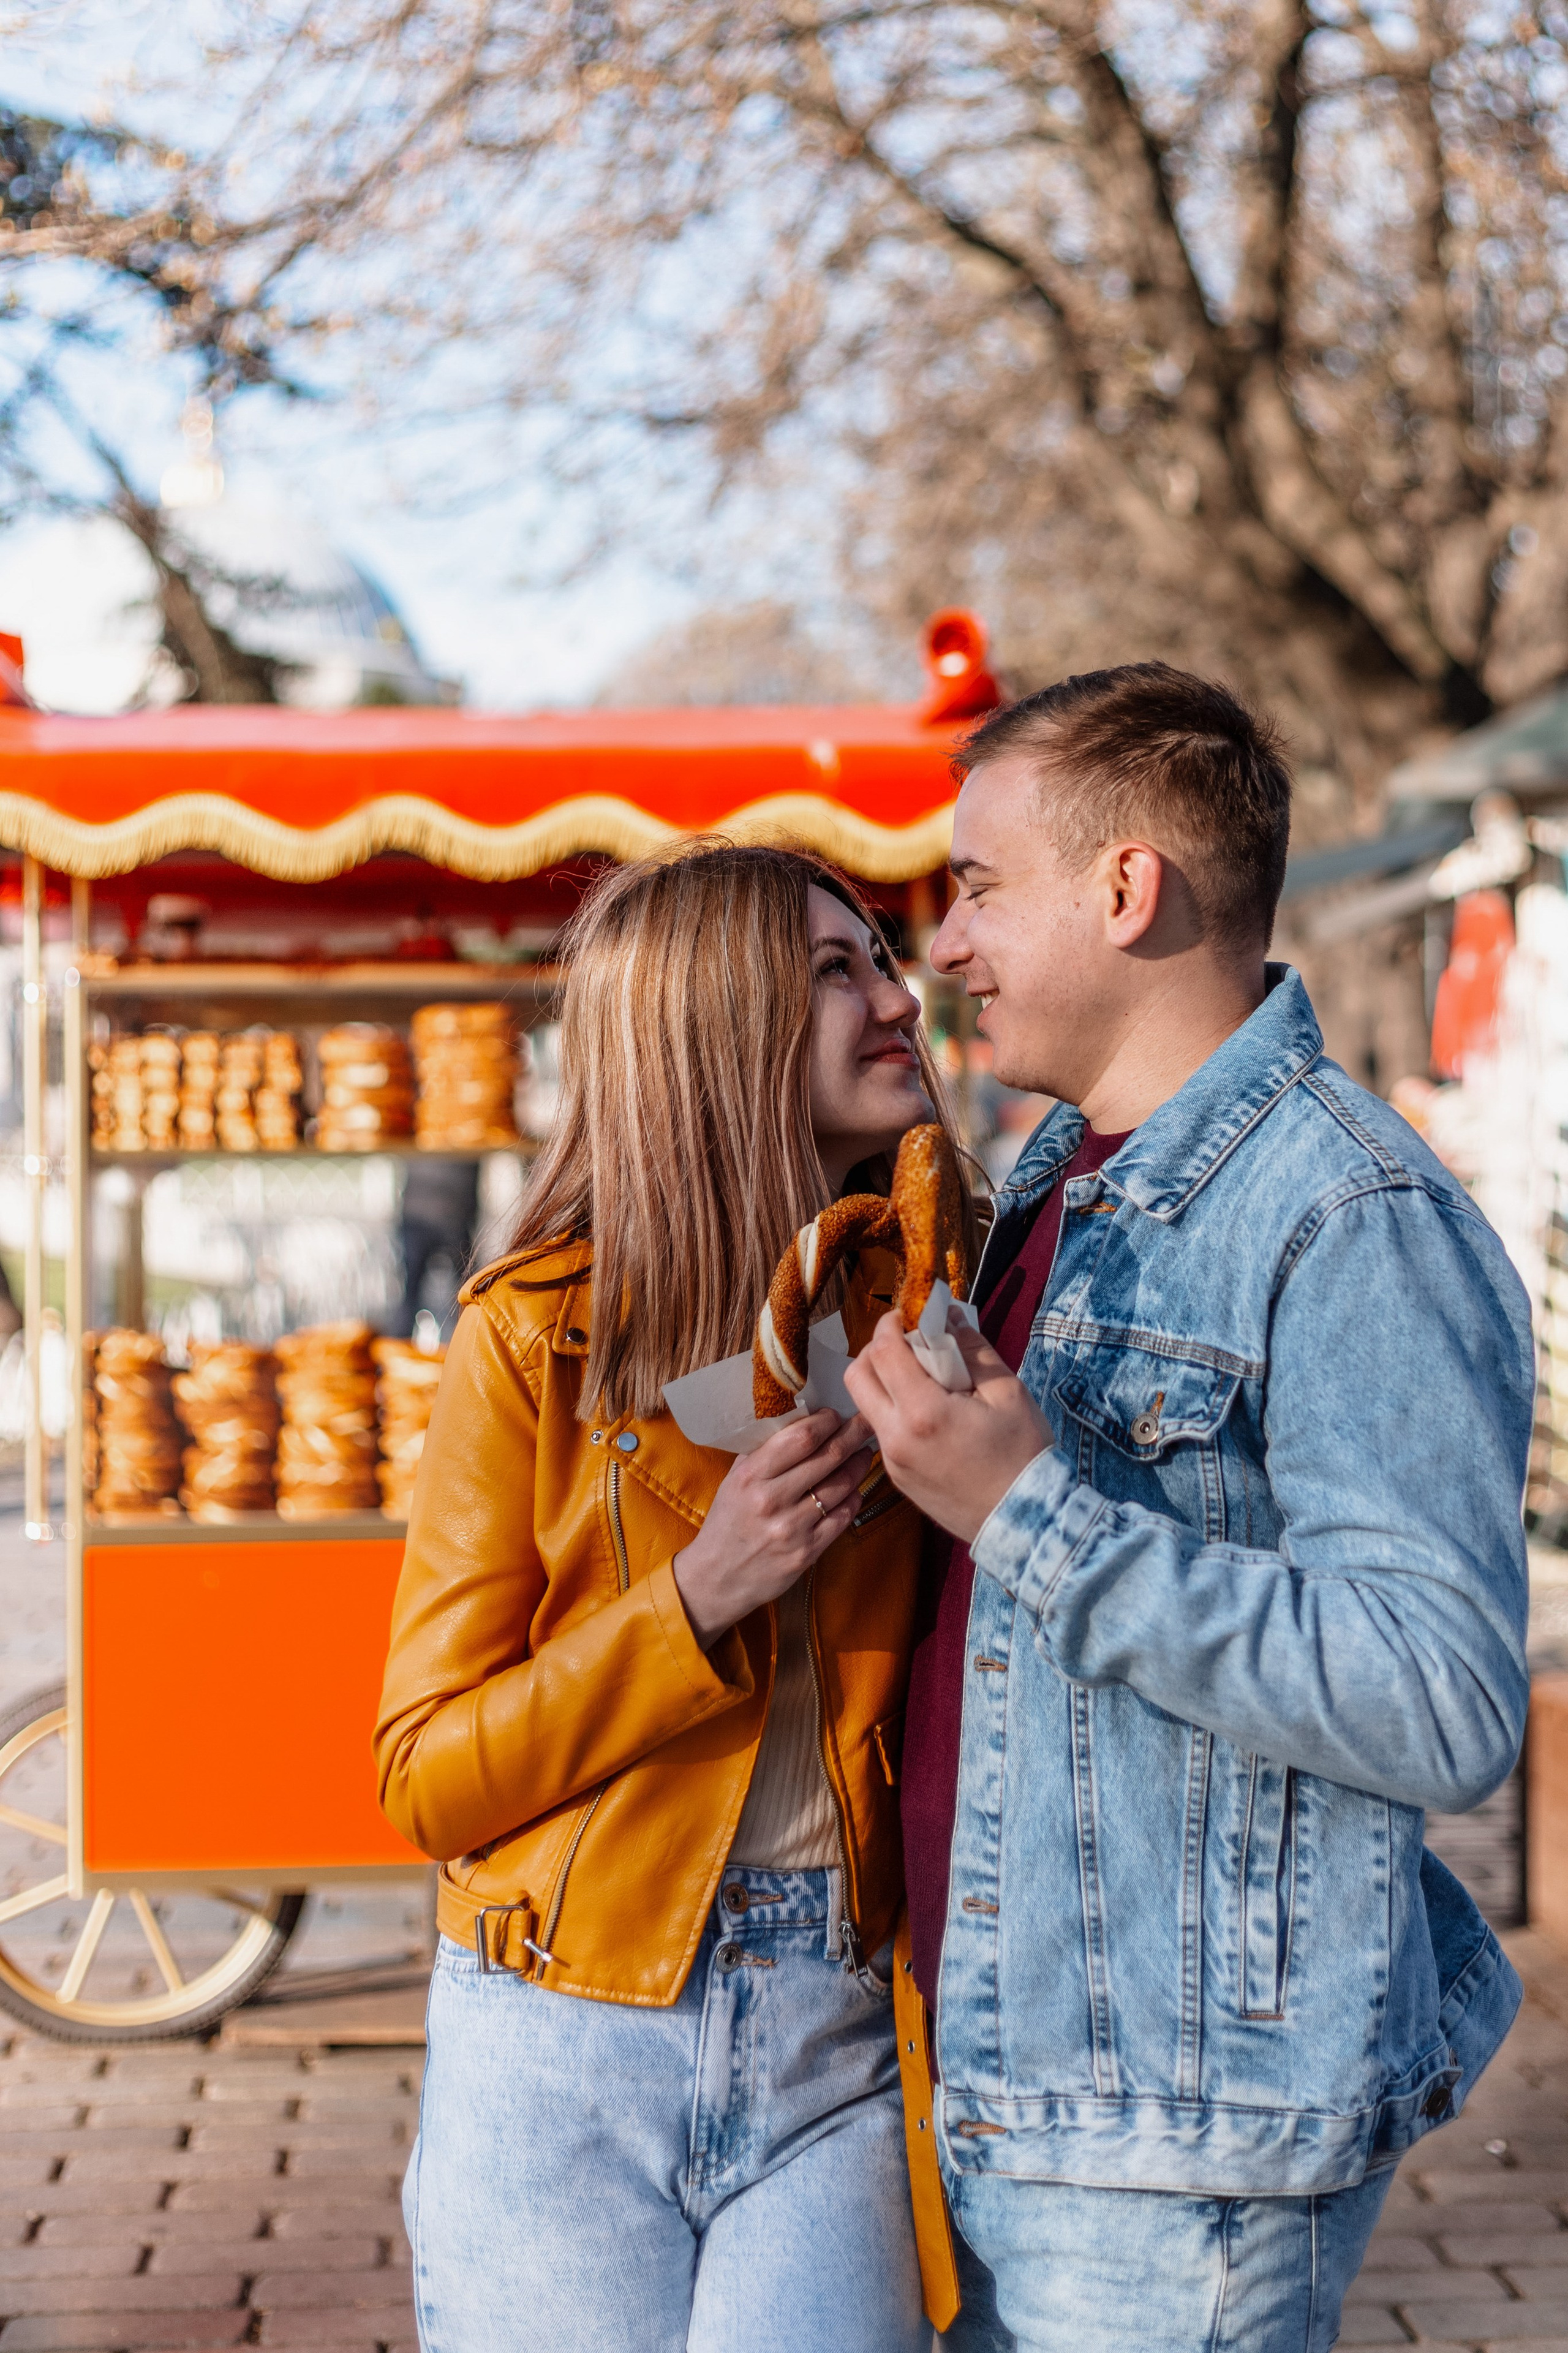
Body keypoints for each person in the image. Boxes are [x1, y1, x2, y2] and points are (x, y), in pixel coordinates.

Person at [845, 664, 1533, 2353]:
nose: (946, 943)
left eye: (982, 887)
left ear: (1128, 889)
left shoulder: (1348, 1213)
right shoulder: (1059, 1181)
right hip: (1005, 2082)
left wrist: (1025, 1510)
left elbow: (1440, 1699)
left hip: (1169, 2153)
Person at [375, 839, 976, 2353]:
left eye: (878, 958)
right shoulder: (536, 1343)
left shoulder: (928, 1313)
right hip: (561, 2026)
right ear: (716, 1030)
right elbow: (425, 1772)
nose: (894, 998)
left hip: (838, 2030)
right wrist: (697, 1597)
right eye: (832, 972)